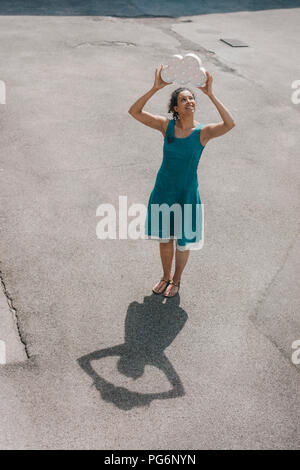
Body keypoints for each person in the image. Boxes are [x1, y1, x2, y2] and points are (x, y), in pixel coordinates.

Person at [128, 64, 235, 297]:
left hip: (187, 194)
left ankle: (176, 281)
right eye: (184, 99)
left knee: (183, 242)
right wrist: (155, 88)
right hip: (164, 190)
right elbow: (134, 112)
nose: (190, 102)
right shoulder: (166, 126)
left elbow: (230, 124)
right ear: (176, 107)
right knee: (165, 239)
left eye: (192, 98)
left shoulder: (203, 132)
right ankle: (165, 277)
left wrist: (211, 94)